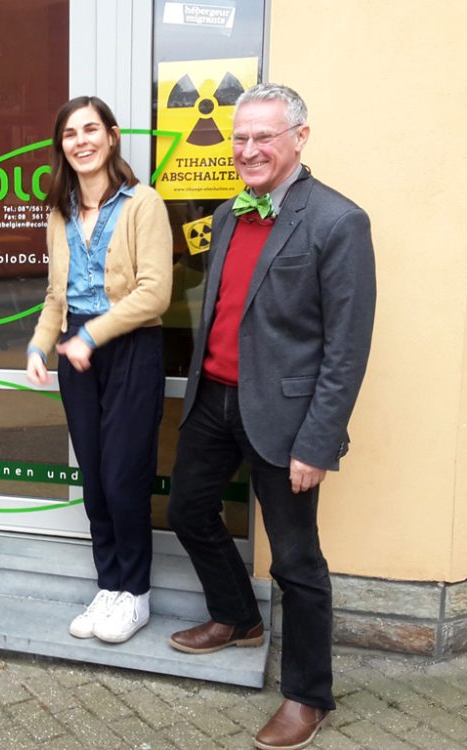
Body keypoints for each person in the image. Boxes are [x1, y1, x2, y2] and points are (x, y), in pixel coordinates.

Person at [166, 83, 375, 750]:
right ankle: (236, 616)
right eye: (240, 137)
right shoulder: (229, 212)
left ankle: (307, 695)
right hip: (214, 399)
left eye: (264, 137)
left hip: (285, 419)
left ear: (300, 138)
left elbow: (346, 346)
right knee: (187, 512)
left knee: (296, 562)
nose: (248, 150)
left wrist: (318, 441)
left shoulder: (338, 221)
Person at [26, 96, 172, 643]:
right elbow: (54, 295)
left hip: (130, 348)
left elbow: (155, 293)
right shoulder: (59, 211)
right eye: (70, 133)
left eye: (92, 129)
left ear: (111, 137)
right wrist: (42, 346)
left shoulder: (143, 204)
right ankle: (109, 585)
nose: (81, 140)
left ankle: (136, 595)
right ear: (61, 145)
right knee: (95, 480)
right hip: (76, 353)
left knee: (123, 477)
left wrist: (90, 334)